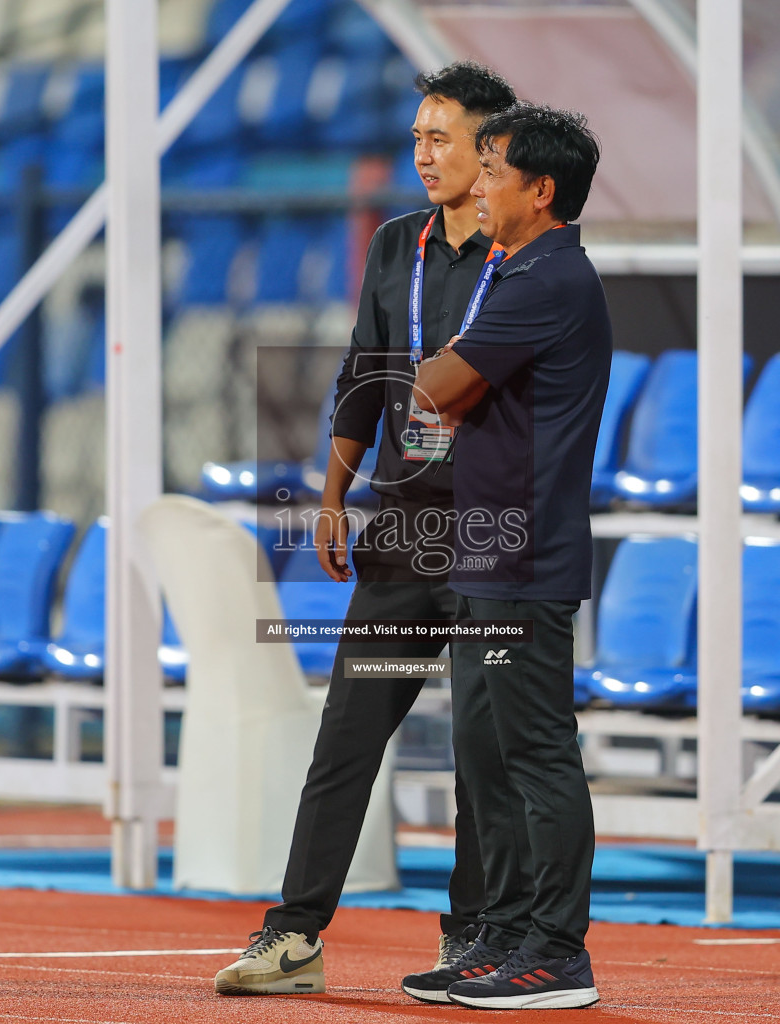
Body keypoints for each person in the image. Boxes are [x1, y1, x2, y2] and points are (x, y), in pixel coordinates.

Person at [213, 62, 517, 998]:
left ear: (489, 148)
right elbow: (359, 377)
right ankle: (293, 933)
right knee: (346, 733)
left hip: (493, 537)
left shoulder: (529, 257)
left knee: (483, 744)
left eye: (442, 139)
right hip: (400, 526)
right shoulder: (397, 247)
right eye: (417, 138)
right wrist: (335, 498)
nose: (424, 155)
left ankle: (471, 936)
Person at [399, 103, 608, 1010]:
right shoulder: (521, 272)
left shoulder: (544, 278)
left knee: (533, 752)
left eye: (493, 173)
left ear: (541, 189)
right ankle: (513, 935)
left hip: (519, 557)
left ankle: (558, 952)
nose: (477, 189)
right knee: (487, 755)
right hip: (487, 553)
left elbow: (432, 385)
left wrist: (447, 364)